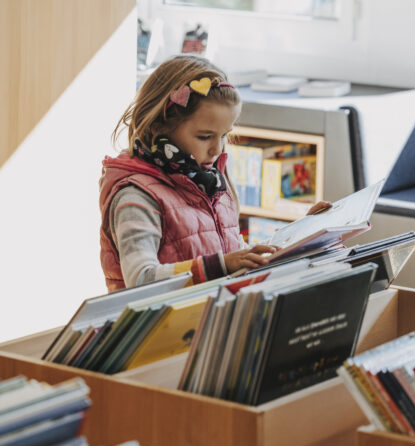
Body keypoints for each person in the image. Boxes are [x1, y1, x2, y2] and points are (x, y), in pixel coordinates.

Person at [100, 55, 328, 291]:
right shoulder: (136, 198)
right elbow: (141, 280)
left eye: (224, 136)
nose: (217, 149)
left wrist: (301, 235)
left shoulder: (208, 182)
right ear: (159, 127)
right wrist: (223, 264)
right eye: (204, 137)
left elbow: (238, 256)